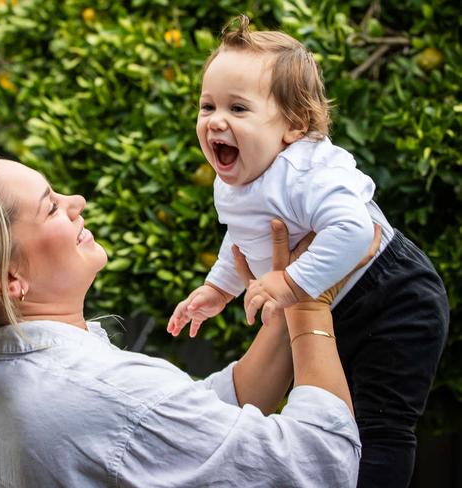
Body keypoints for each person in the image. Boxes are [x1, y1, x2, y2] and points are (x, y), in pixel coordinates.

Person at [0, 155, 376, 486]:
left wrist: (287, 295)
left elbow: (185, 423)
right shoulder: (102, 393)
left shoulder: (4, 367)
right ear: (9, 279)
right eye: (51, 207)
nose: (78, 200)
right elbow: (321, 465)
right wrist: (308, 305)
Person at [167, 15, 449, 488]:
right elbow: (242, 233)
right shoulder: (238, 177)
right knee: (335, 413)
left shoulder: (306, 172)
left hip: (393, 293)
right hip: (336, 300)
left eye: (238, 108)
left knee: (379, 423)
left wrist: (290, 282)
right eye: (207, 106)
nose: (215, 120)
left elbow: (355, 230)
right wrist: (220, 286)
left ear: (294, 126)